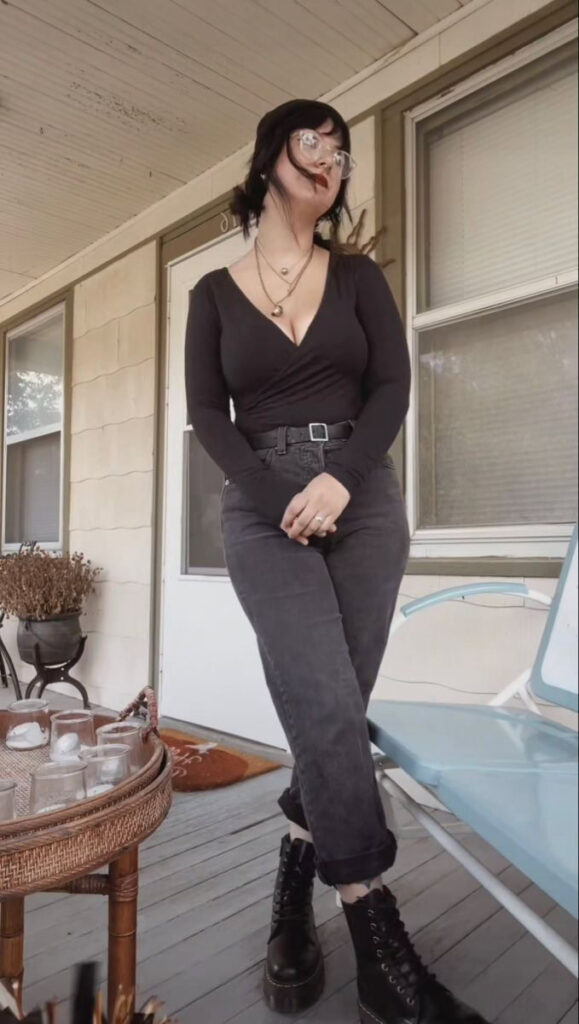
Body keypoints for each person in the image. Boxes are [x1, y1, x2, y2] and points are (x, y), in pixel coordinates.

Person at [185, 99, 489, 1024]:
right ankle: (374, 934)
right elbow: (205, 415)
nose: (332, 157)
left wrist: (341, 479)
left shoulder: (356, 277)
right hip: (261, 507)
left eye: (344, 150)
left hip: (361, 499)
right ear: (270, 157)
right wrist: (272, 492)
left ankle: (292, 881)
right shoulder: (211, 293)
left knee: (334, 707)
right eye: (313, 140)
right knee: (320, 695)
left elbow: (392, 384)